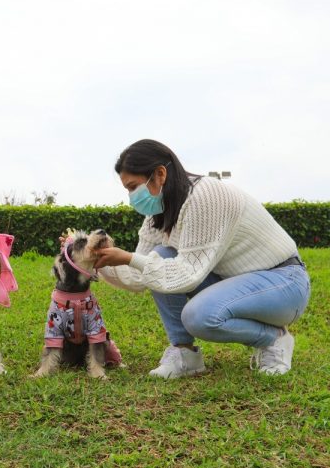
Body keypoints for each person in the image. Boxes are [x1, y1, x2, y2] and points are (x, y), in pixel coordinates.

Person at [94, 139, 310, 378]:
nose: (132, 197)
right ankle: (184, 354)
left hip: (284, 283)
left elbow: (185, 275)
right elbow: (139, 275)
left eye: (134, 187)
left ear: (160, 174)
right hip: (237, 283)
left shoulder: (206, 196)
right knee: (162, 256)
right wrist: (95, 260)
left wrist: (127, 257)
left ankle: (274, 339)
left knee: (198, 316)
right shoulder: (159, 212)